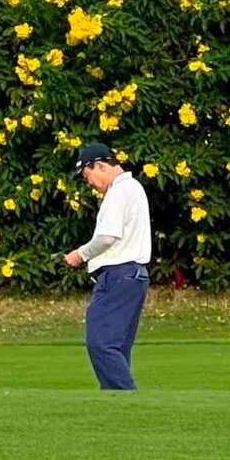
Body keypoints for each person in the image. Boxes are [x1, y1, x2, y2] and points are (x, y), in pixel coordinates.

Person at [61, 142, 152, 390]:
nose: (88, 182)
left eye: (86, 175)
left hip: (119, 274)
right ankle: (118, 404)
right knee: (116, 346)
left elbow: (107, 237)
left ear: (99, 165)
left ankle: (124, 397)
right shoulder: (132, 188)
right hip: (132, 275)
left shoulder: (120, 191)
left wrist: (79, 255)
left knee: (101, 342)